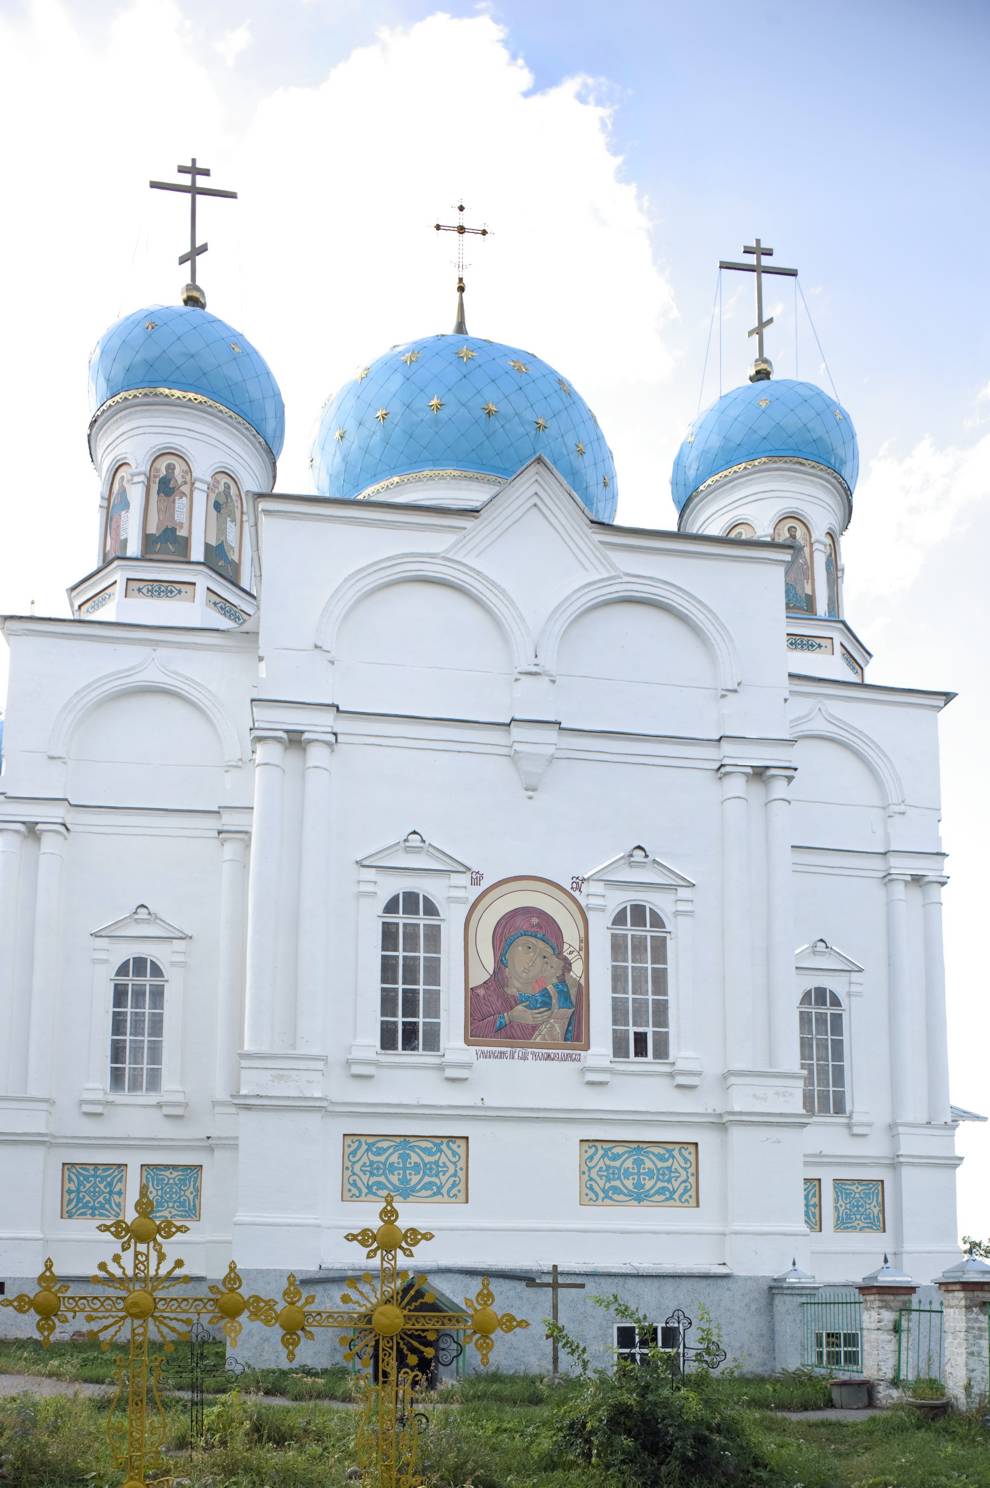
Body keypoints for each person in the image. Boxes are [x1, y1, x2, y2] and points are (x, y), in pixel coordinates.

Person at [469, 905, 584, 1044]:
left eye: (544, 956)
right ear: (504, 950)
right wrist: (508, 1017)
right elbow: (467, 1034)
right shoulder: (478, 997)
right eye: (528, 947)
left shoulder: (555, 999)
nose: (534, 960)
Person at [783, 523, 811, 611]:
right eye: (792, 531)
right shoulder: (785, 541)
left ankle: (799, 603)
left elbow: (803, 556)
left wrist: (804, 564)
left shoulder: (798, 543)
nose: (794, 533)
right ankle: (789, 601)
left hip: (798, 568)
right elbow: (782, 552)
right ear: (789, 532)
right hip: (789, 566)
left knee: (799, 584)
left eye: (795, 531)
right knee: (789, 582)